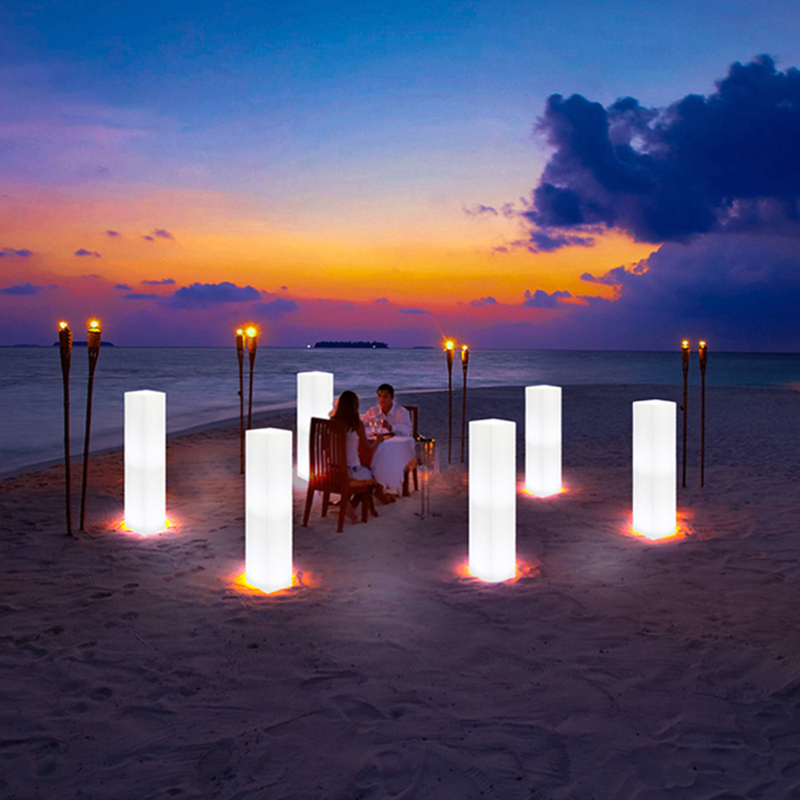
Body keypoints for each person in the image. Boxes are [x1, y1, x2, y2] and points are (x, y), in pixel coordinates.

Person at [361, 383, 416, 497]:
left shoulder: (401, 412)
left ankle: (382, 485)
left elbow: (407, 430)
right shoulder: (373, 411)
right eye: (379, 396)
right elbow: (364, 422)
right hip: (378, 441)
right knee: (371, 451)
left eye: (385, 396)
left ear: (392, 397)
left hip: (397, 446)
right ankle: (375, 484)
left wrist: (391, 427)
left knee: (384, 453)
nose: (382, 400)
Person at [331, 390, 377, 481]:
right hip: (351, 471)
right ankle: (361, 495)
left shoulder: (330, 424)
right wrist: (378, 440)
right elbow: (367, 450)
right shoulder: (356, 425)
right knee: (374, 476)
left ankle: (357, 495)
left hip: (332, 470)